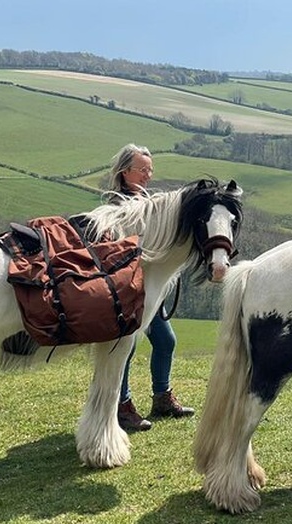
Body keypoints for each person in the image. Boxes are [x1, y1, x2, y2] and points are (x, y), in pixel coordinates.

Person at [106, 143, 195, 432]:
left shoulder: (148, 202)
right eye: (142, 169)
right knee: (126, 348)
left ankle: (162, 398)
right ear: (124, 172)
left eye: (150, 170)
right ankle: (122, 405)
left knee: (166, 341)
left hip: (149, 288)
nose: (148, 175)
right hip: (127, 288)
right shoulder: (116, 204)